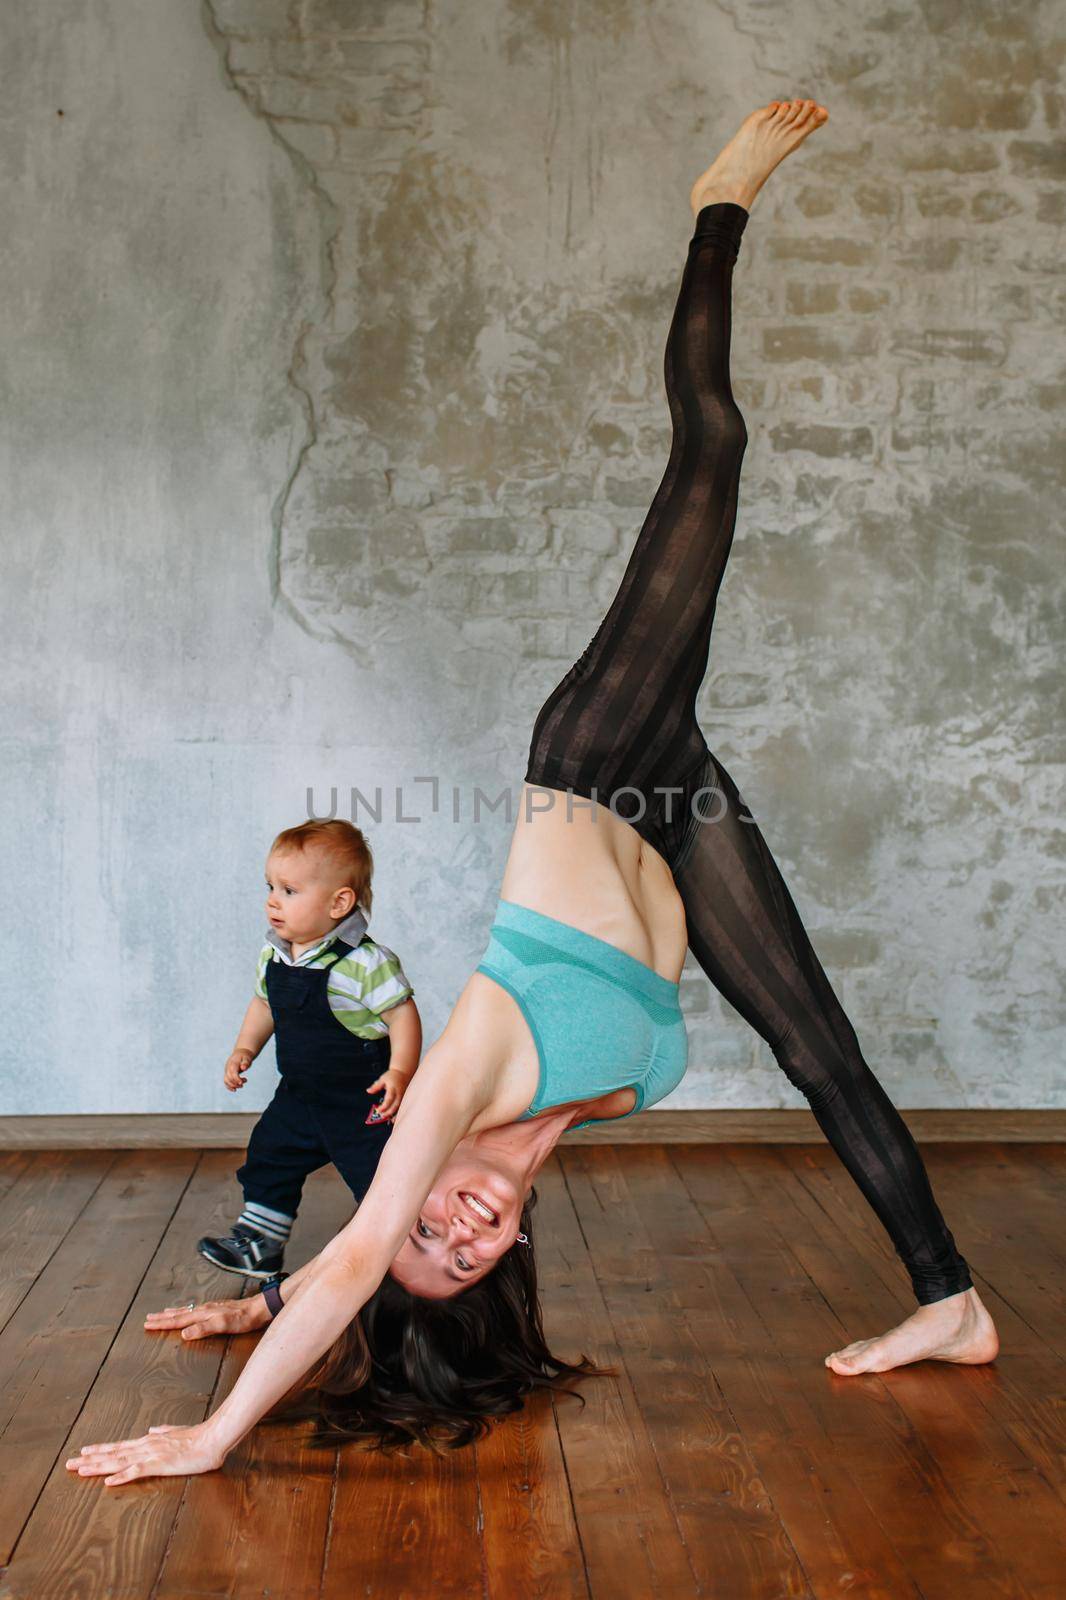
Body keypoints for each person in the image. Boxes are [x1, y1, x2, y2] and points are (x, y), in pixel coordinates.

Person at [67, 98, 999, 1488]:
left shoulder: (448, 1099)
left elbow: (355, 1260)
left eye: (421, 1234)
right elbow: (358, 1263)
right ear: (509, 1254)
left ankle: (718, 209)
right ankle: (953, 1299)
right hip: (675, 809)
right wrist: (266, 1299)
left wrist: (213, 1433)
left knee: (713, 449)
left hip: (592, 760)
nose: (454, 1222)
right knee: (822, 1055)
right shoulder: (587, 1112)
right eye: (469, 1250)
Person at [198, 818, 423, 1279]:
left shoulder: (363, 962)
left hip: (359, 1100)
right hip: (300, 1093)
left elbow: (403, 1015)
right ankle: (260, 1244)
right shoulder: (275, 954)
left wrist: (400, 1072)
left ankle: (399, 1253)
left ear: (339, 902)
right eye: (271, 887)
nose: (272, 900)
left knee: (378, 1176)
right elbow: (264, 1003)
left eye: (289, 890)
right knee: (268, 1154)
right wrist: (244, 1048)